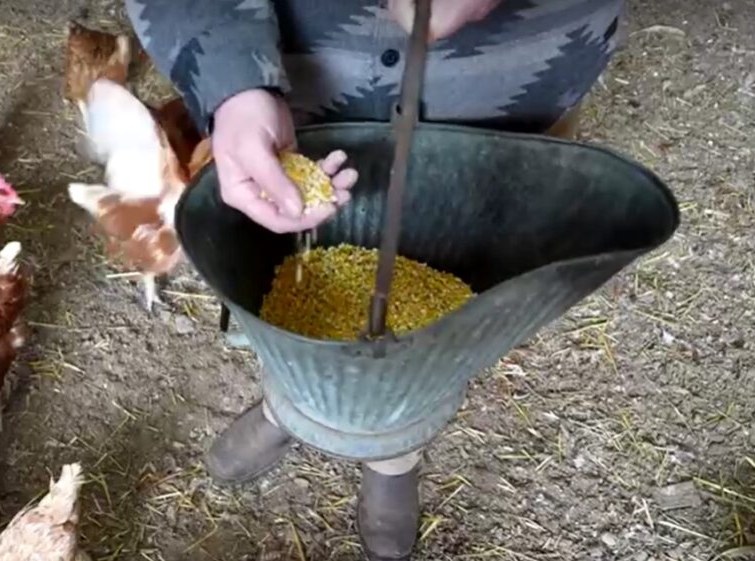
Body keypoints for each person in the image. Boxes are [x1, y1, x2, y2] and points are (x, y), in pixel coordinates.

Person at [127, 1, 624, 559]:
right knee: (287, 278)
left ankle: (394, 453)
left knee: (442, 328)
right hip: (299, 83)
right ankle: (290, 399)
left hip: (512, 90)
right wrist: (229, 75)